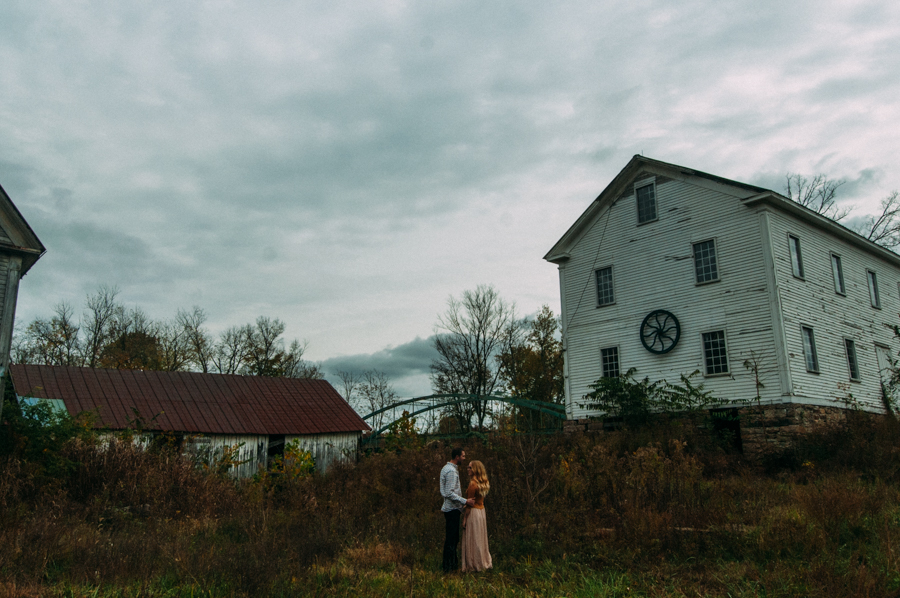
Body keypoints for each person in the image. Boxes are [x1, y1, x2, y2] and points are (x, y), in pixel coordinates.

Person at [440, 447, 474, 572]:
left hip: (451, 509)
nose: (464, 458)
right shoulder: (451, 472)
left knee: (452, 538)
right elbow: (449, 493)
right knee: (452, 540)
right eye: (463, 456)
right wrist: (465, 501)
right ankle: (449, 568)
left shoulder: (447, 468)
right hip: (452, 509)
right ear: (457, 457)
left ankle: (450, 566)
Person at [460, 460, 492, 572]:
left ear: (475, 470)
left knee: (473, 538)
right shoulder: (483, 482)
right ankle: (482, 561)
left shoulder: (473, 484)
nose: (468, 469)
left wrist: (464, 519)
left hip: (473, 513)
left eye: (470, 467)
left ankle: (473, 563)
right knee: (480, 538)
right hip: (481, 512)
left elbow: (469, 505)